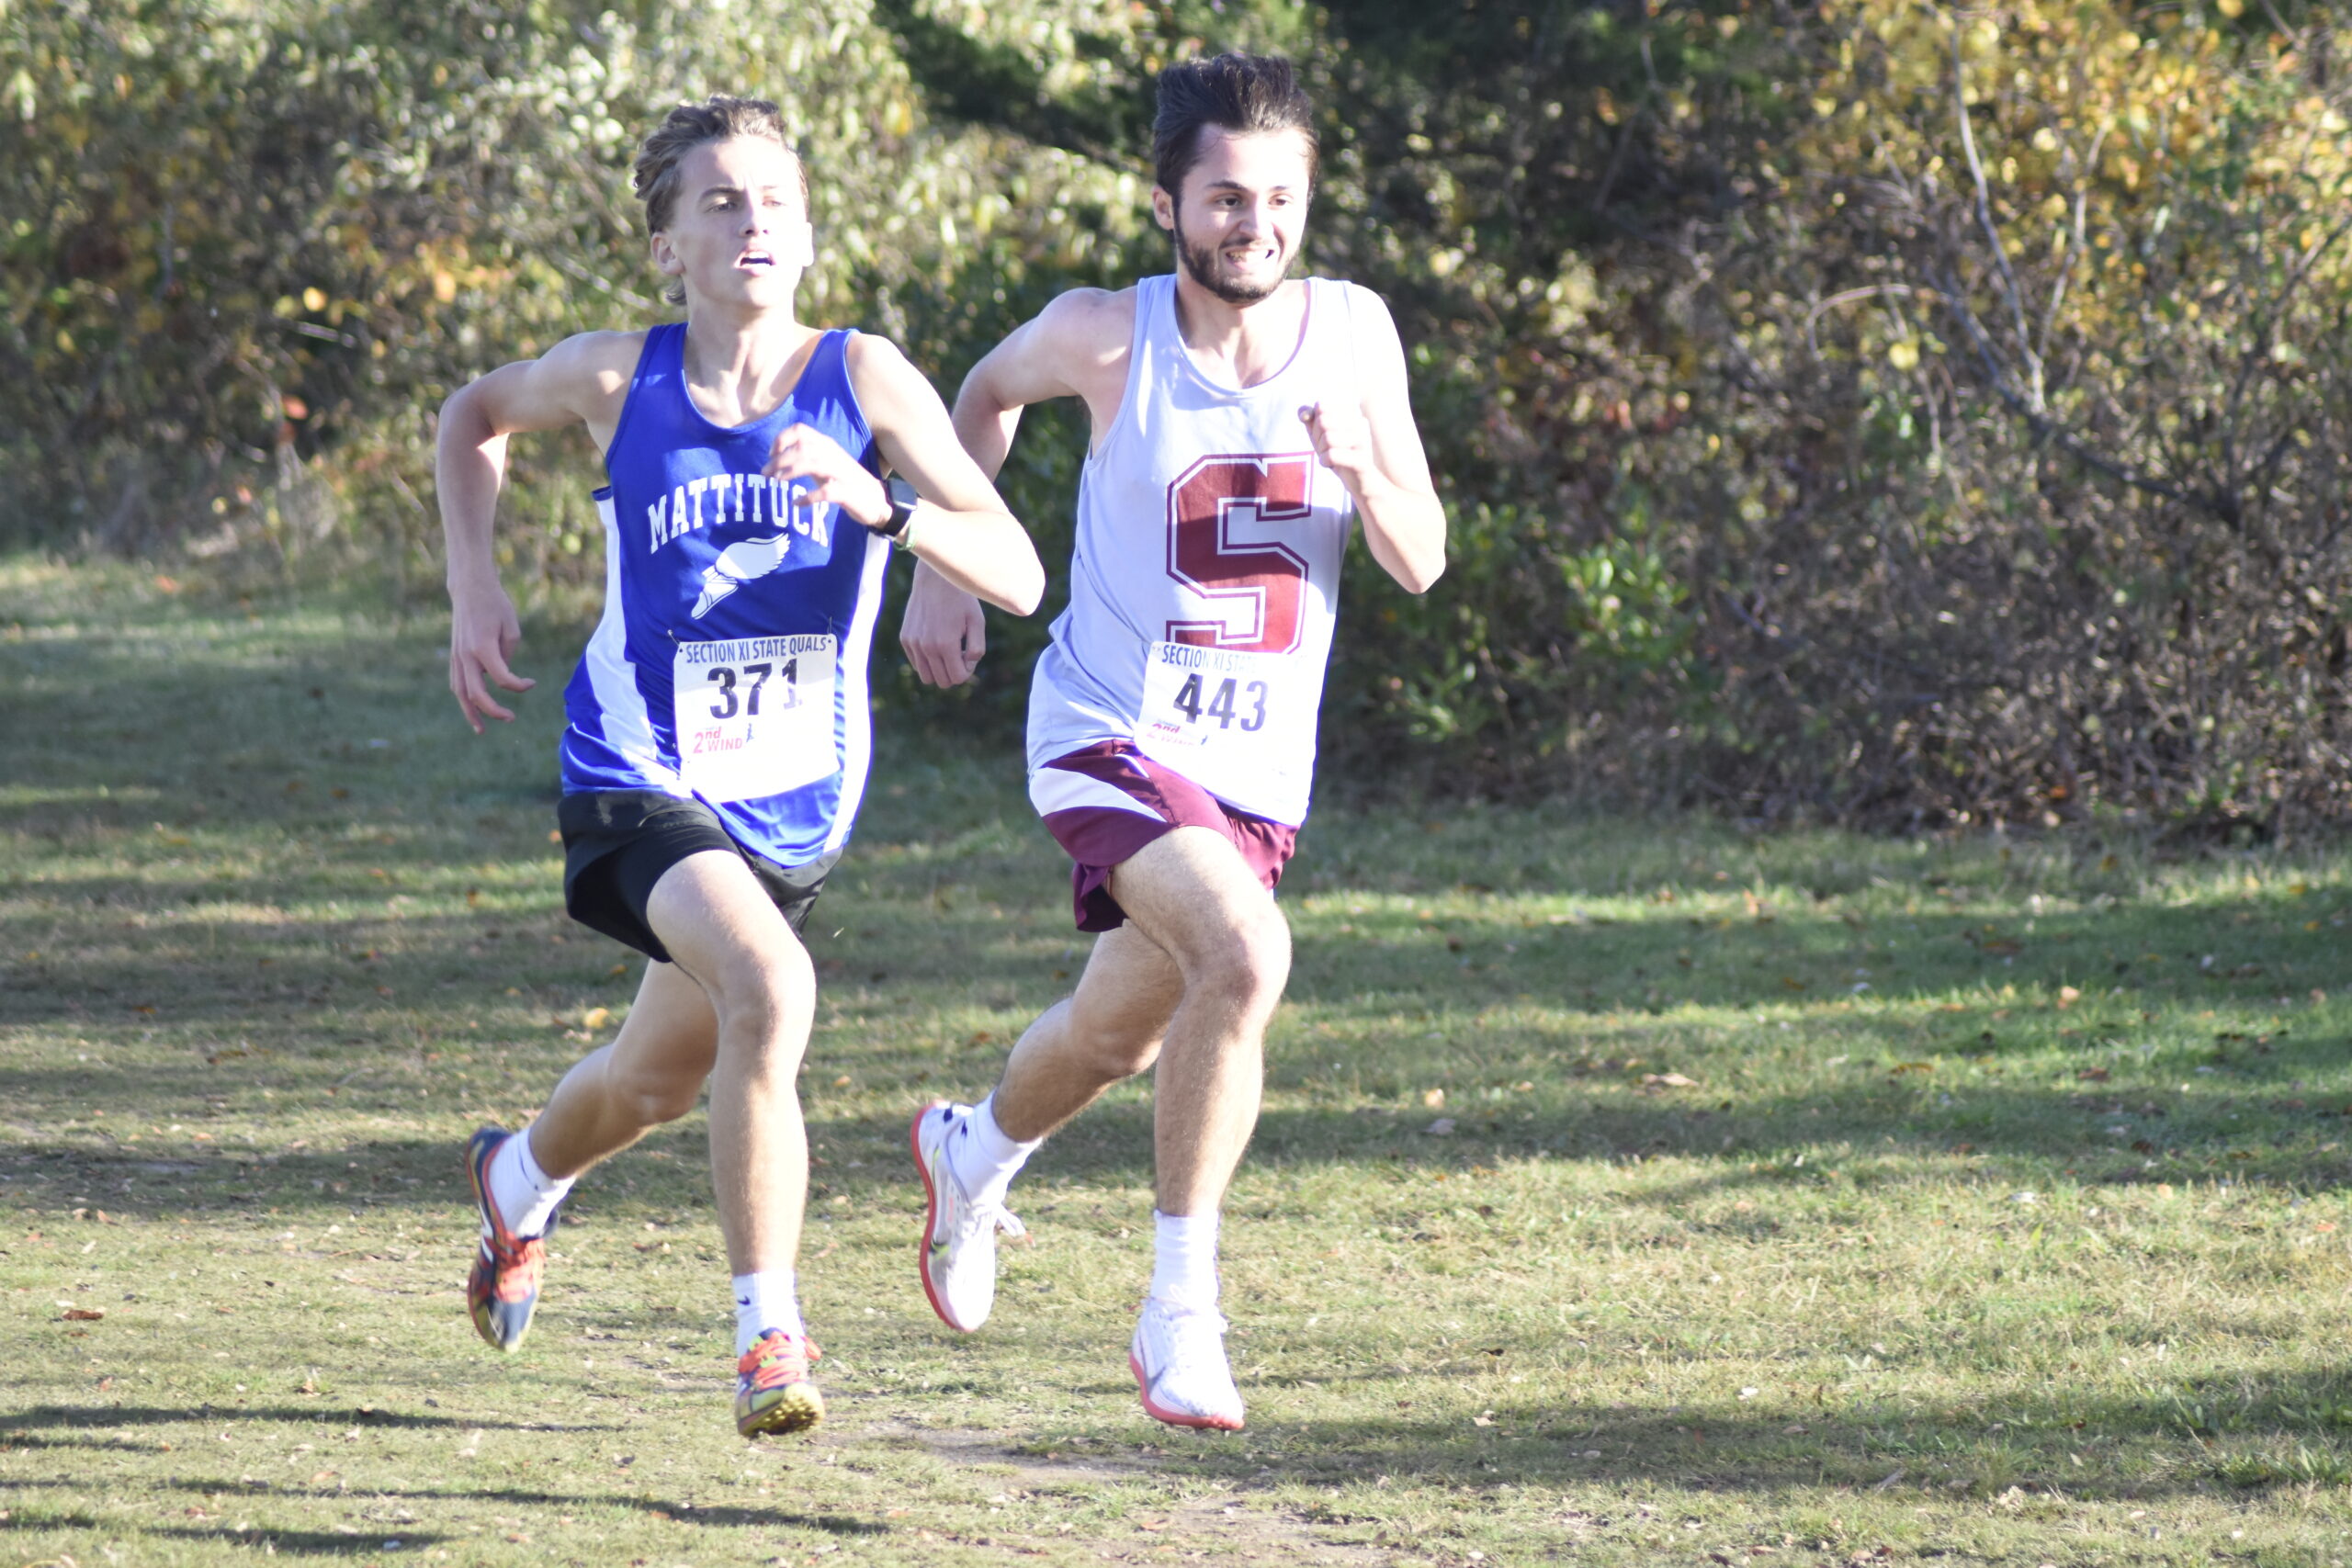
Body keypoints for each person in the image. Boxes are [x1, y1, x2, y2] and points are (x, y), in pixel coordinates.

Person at [437, 95, 1043, 1438]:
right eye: (719, 201)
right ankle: (768, 1334)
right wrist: (472, 587)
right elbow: (471, 416)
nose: (752, 221)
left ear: (810, 226)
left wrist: (886, 506)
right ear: (668, 248)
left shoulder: (867, 379)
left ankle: (518, 1184)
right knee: (774, 987)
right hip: (636, 765)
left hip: (790, 805)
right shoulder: (617, 379)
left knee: (655, 1082)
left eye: (774, 198)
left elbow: (1017, 569)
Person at [899, 52, 1446, 1431]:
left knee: (1114, 1033)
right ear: (1166, 204)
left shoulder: (1359, 336)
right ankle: (1178, 1312)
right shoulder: (1107, 334)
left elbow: (1422, 560)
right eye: (1221, 198)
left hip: (1258, 772)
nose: (1250, 223)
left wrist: (1363, 462)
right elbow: (979, 393)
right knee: (1246, 957)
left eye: (1277, 198)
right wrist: (946, 573)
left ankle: (973, 1151)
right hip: (1107, 728)